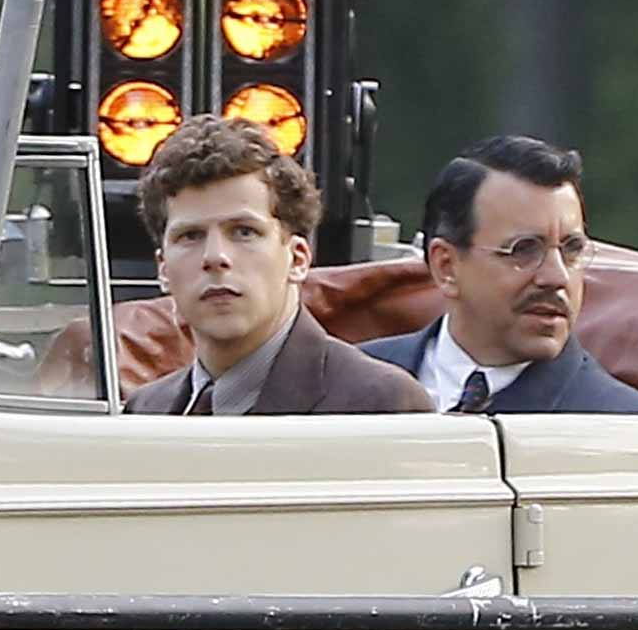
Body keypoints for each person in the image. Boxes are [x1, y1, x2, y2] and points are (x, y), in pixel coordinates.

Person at [125, 115, 433, 415]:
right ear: (163, 268)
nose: (215, 257)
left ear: (298, 258)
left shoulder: (382, 404)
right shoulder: (145, 411)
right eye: (191, 236)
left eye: (244, 232)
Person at [362, 135, 638, 414]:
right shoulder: (349, 385)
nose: (557, 277)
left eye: (572, 250)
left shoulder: (630, 430)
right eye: (524, 250)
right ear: (446, 266)